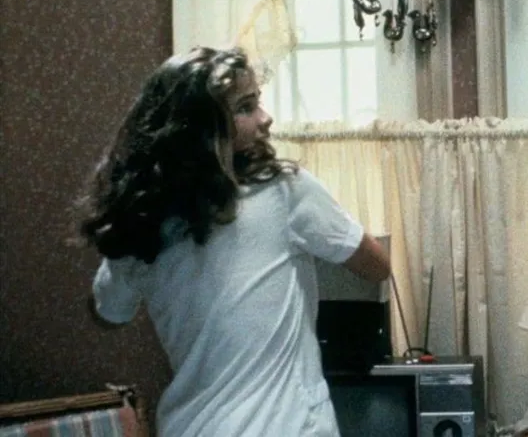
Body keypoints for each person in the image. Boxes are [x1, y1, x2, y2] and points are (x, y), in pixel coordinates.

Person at [78, 46, 390, 437]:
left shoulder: (141, 223)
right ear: (198, 130)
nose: (265, 117)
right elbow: (377, 266)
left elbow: (108, 314)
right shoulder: (284, 191)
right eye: (246, 107)